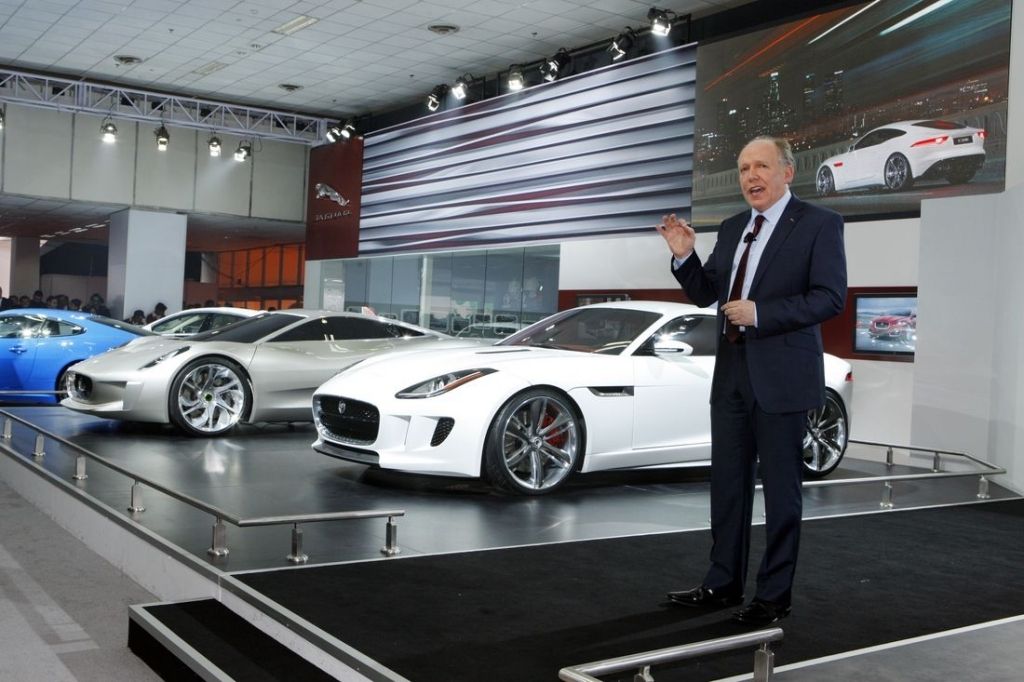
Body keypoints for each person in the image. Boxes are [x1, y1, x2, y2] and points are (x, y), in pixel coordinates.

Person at [656, 136, 846, 626]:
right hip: (732, 376)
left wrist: (762, 313)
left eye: (761, 166)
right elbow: (706, 293)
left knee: (782, 493)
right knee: (728, 487)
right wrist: (684, 257)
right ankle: (722, 584)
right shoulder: (734, 226)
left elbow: (829, 297)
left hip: (783, 377)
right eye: (743, 169)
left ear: (788, 172)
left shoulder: (819, 224)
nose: (750, 177)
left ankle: (773, 596)